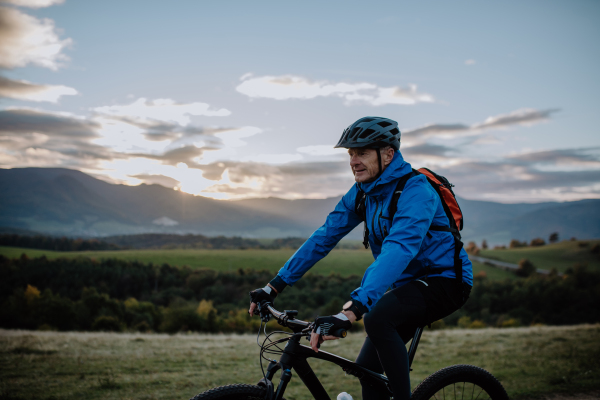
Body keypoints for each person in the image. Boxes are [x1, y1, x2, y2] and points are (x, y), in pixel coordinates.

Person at [249, 116, 473, 400]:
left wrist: (353, 309)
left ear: (388, 154)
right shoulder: (363, 193)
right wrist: (274, 286)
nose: (354, 160)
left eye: (363, 152)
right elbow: (324, 236)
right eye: (351, 153)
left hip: (446, 281)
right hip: (406, 285)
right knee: (367, 369)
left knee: (377, 318)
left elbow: (400, 247)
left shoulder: (417, 190)